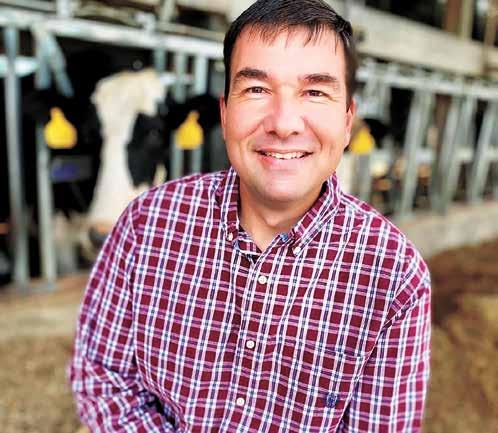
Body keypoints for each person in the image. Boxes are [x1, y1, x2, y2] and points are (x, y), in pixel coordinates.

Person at [69, 0, 431, 432]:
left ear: (347, 120)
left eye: (315, 91)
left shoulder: (395, 276)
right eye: (257, 89)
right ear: (224, 114)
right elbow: (102, 376)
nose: (284, 123)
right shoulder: (145, 224)